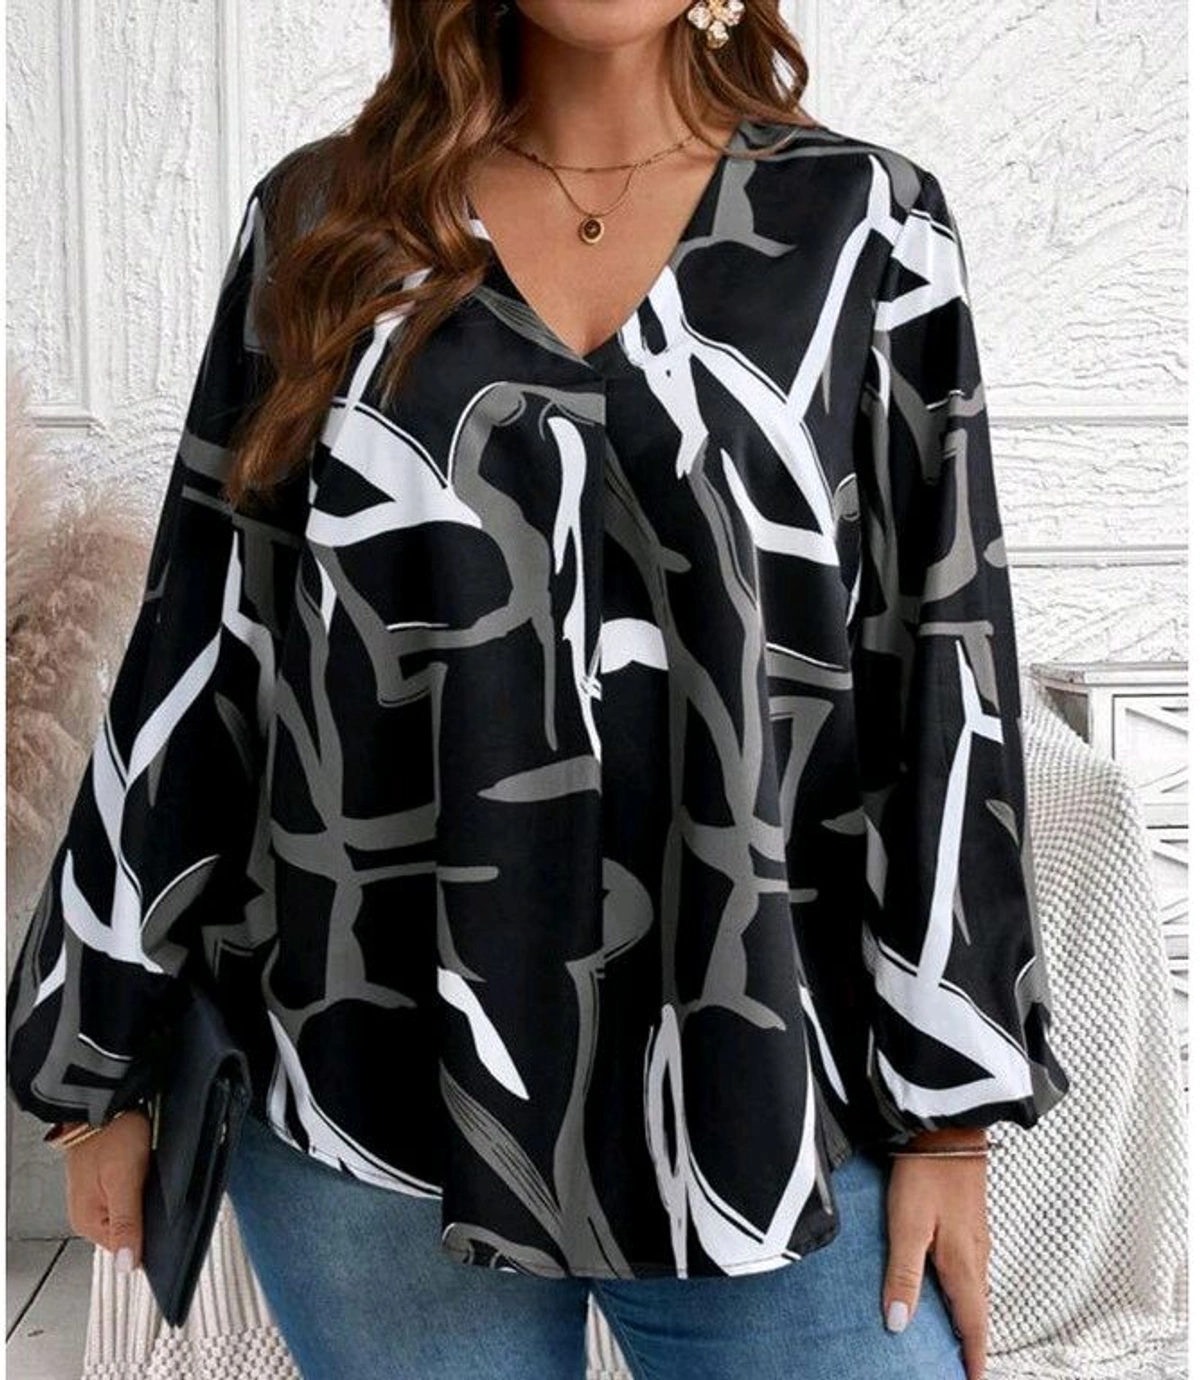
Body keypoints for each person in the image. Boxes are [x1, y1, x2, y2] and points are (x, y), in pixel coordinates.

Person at [6, 1, 1072, 1377]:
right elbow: (205, 645)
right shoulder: (321, 226)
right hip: (367, 1103)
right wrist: (93, 1065)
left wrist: (948, 1121)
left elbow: (943, 664)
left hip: (765, 1100)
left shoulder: (869, 229)